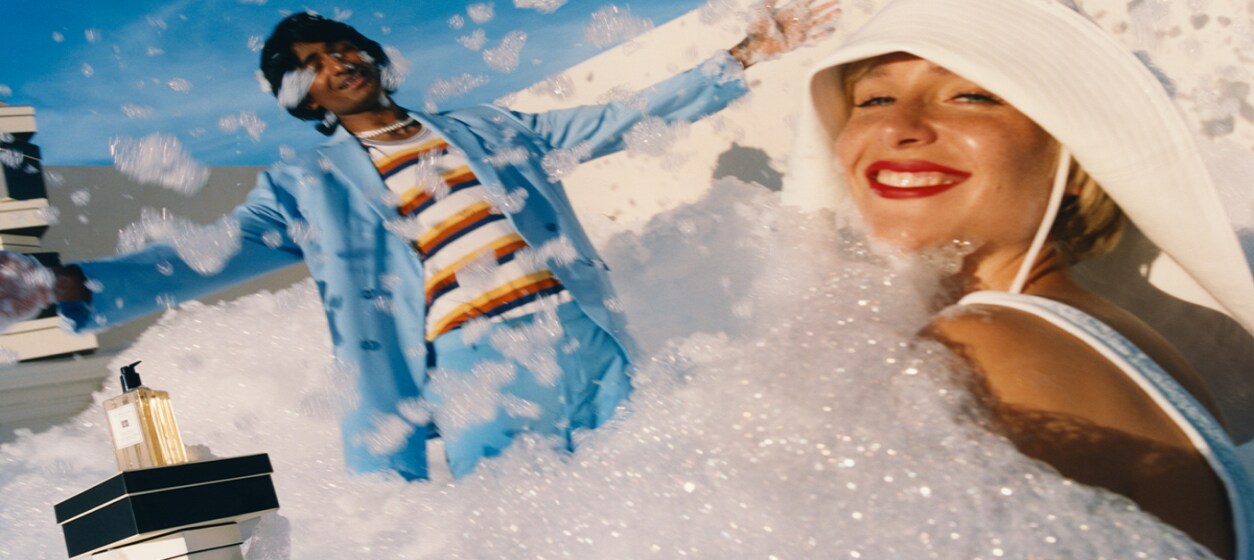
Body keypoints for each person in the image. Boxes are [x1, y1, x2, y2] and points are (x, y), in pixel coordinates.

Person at [0, 2, 838, 480]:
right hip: (475, 373)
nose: (338, 62)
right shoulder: (308, 187)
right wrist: (63, 286)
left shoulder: (488, 126)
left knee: (654, 499)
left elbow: (622, 120)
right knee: (527, 529)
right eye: (316, 63)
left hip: (583, 334)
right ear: (305, 99)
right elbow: (201, 255)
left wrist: (744, 55)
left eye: (344, 47)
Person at [782, 0, 1254, 557]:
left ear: (1075, 164)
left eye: (971, 96)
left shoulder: (985, 344)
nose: (896, 126)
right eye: (874, 99)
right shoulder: (1080, 334)